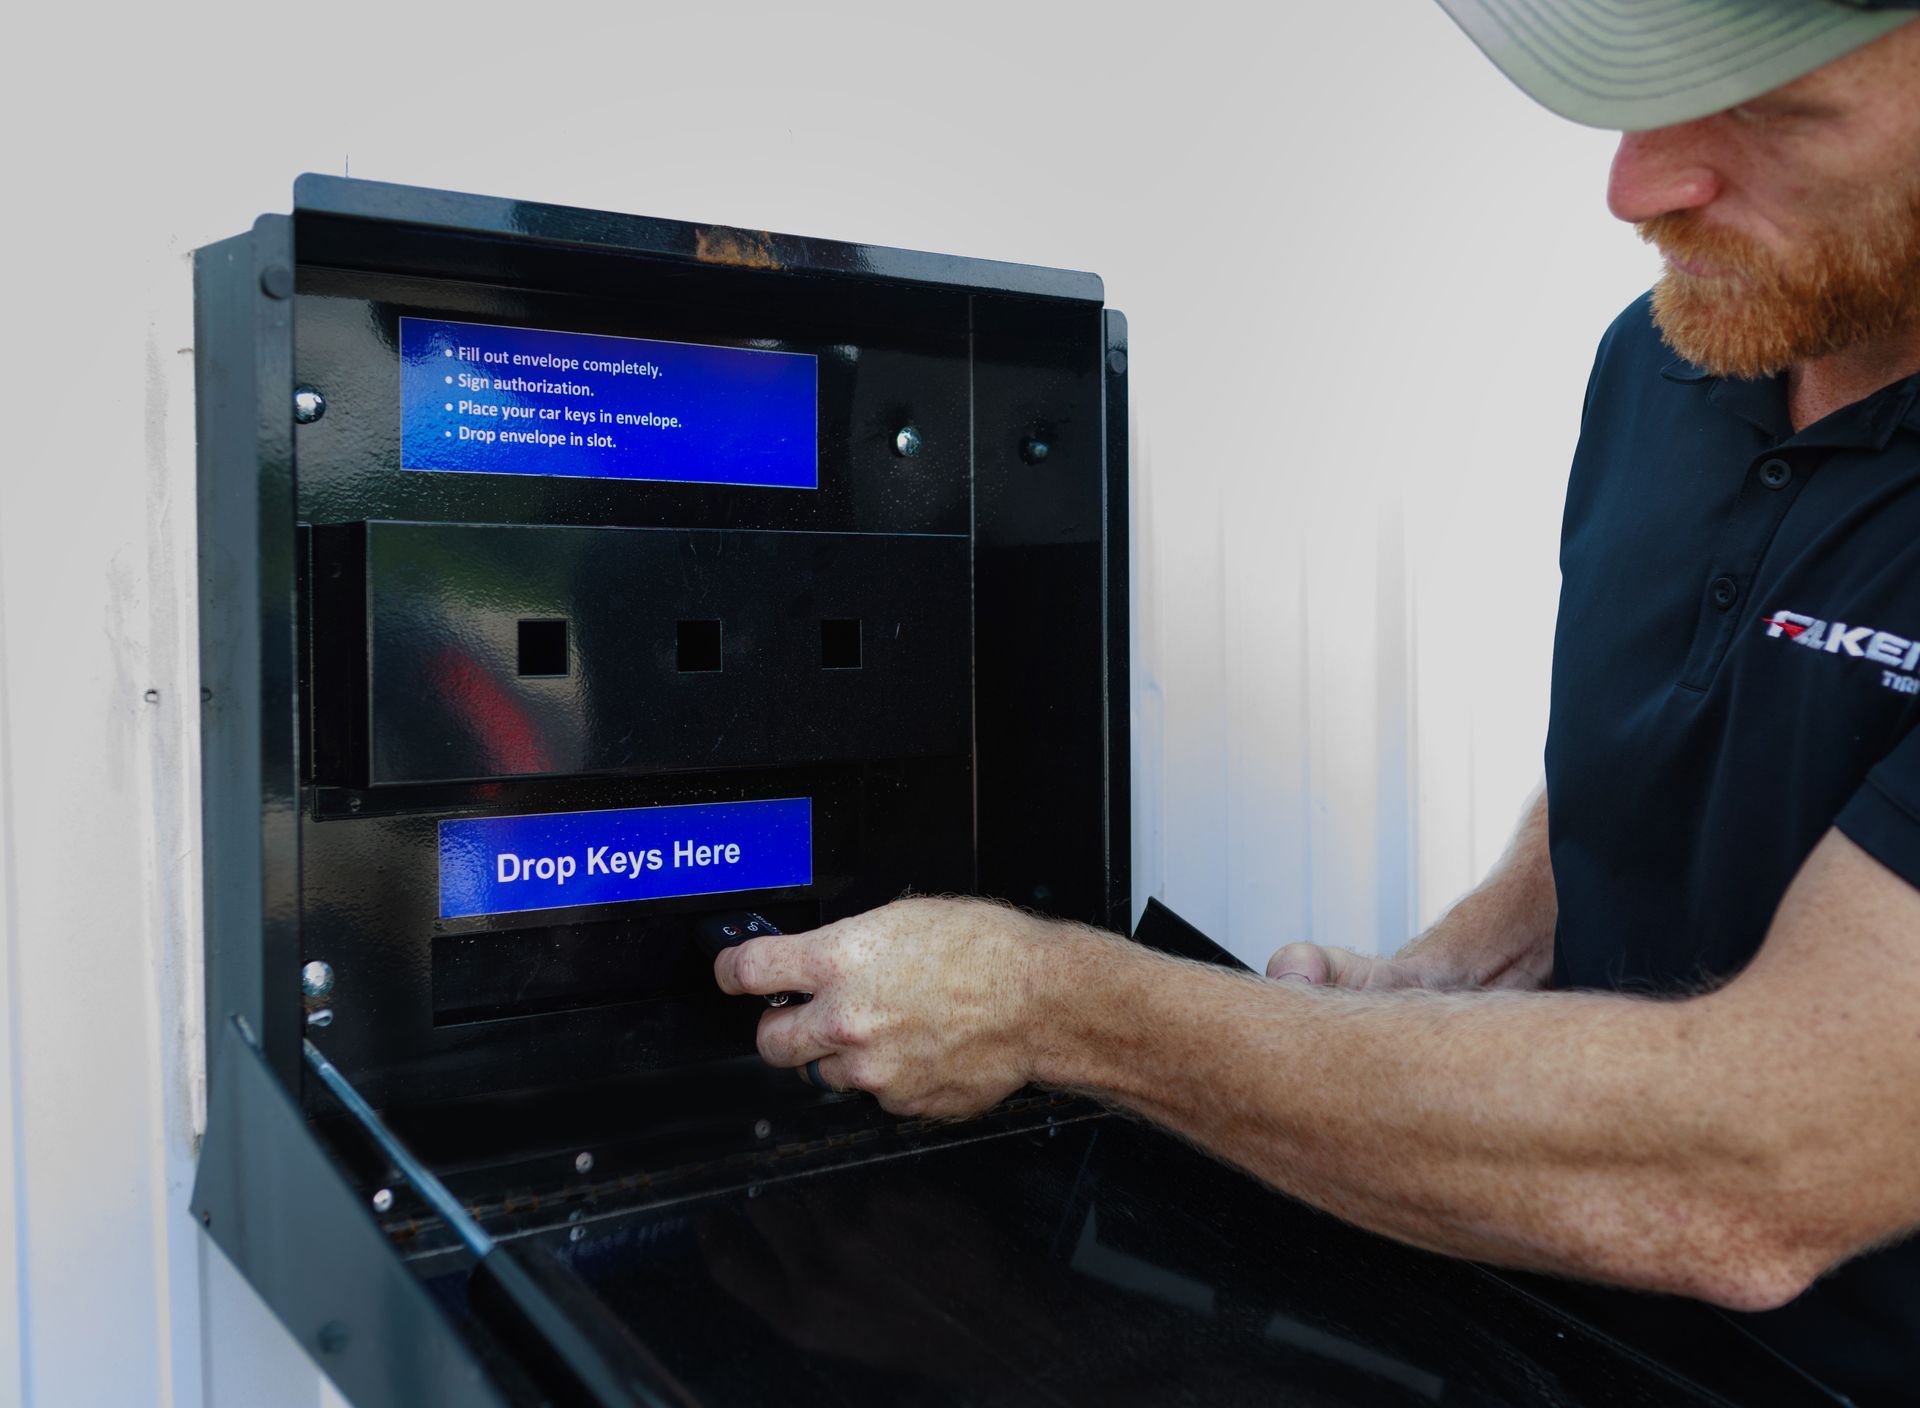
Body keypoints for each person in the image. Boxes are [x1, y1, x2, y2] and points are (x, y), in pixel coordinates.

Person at [714, 4, 1920, 1402]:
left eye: (1773, 115)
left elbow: (1757, 1171)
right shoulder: (1676, 352)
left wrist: (1057, 1010)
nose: (1634, 185)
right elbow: (1697, 706)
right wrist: (1478, 957)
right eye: (1647, 97)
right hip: (1569, 1330)